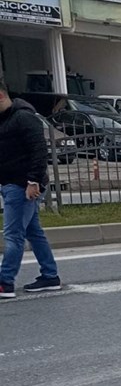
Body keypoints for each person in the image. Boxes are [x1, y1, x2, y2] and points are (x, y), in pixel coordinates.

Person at [0, 79, 61, 298]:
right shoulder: (6, 120)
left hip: (22, 186)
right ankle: (50, 276)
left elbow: (39, 152)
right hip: (12, 184)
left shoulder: (24, 118)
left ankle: (5, 283)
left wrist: (33, 182)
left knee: (13, 235)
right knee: (33, 232)